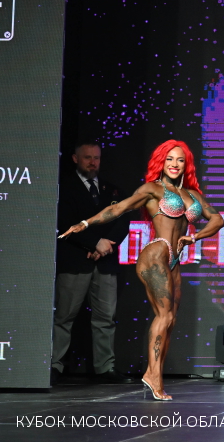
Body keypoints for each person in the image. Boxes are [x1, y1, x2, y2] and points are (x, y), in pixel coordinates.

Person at [58, 140, 224, 400]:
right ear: (161, 161)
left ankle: (153, 372)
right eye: (170, 159)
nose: (175, 164)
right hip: (156, 254)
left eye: (180, 160)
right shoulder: (152, 189)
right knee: (164, 316)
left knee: (170, 320)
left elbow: (217, 219)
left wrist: (195, 236)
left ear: (186, 164)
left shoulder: (192, 195)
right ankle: (153, 376)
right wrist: (85, 224)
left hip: (174, 259)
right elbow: (118, 208)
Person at [53, 141, 132, 384]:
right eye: (87, 157)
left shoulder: (112, 190)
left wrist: (106, 245)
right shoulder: (63, 188)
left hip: (105, 263)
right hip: (75, 262)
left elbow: (122, 220)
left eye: (96, 158)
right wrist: (94, 243)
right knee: (64, 316)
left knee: (105, 318)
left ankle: (105, 368)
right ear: (75, 159)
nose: (92, 162)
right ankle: (54, 365)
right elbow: (64, 221)